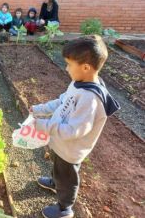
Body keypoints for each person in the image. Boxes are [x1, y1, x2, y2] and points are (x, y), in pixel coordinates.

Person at [31, 35, 120, 218]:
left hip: (70, 150)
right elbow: (62, 101)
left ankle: (65, 208)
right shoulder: (78, 83)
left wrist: (43, 126)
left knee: (68, 178)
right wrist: (40, 110)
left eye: (69, 64)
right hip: (60, 143)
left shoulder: (90, 98)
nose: (66, 68)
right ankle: (56, 182)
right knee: (58, 166)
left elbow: (74, 131)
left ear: (86, 67)